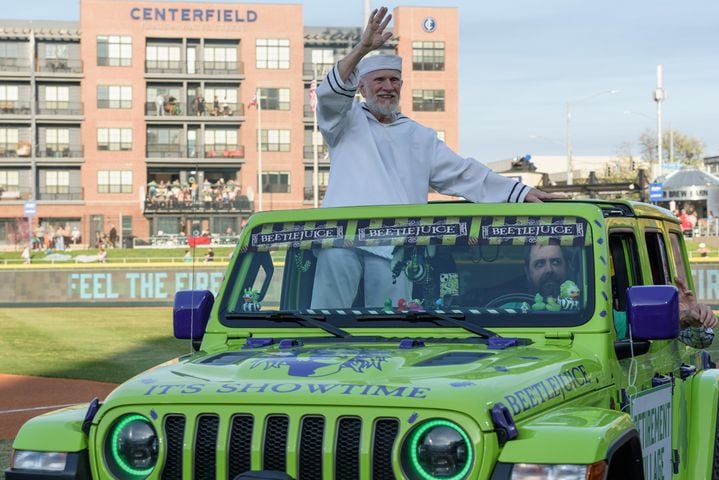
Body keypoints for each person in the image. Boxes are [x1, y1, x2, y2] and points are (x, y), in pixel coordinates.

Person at [310, 7, 556, 308]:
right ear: (361, 87)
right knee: (324, 319)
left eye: (394, 80)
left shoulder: (421, 137)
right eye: (379, 81)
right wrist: (363, 48)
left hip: (396, 246)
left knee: (392, 326)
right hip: (341, 240)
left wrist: (519, 192)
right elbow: (327, 95)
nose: (388, 87)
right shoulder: (343, 122)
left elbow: (464, 174)